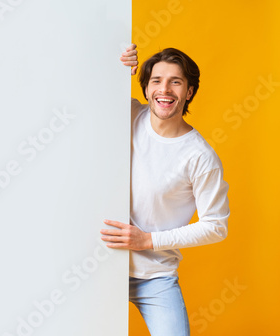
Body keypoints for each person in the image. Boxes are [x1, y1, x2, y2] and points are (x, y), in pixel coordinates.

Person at [99, 44, 230, 335]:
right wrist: (115, 65)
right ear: (146, 89)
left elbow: (216, 226)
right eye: (156, 81)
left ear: (189, 92)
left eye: (176, 82)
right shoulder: (130, 114)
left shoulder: (200, 157)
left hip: (154, 277)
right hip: (100, 262)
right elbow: (86, 91)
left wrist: (147, 240)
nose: (165, 89)